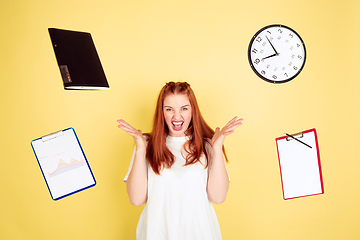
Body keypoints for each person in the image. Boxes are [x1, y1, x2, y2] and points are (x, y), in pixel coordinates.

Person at [117, 81, 243, 240]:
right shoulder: (146, 144)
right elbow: (136, 199)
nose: (177, 116)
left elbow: (218, 198)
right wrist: (141, 149)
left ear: (193, 111)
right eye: (169, 109)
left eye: (184, 108)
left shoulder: (209, 145)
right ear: (161, 112)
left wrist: (216, 150)